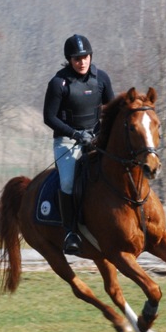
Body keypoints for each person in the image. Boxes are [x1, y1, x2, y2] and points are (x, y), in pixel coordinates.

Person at [43, 34, 114, 254]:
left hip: (95, 138)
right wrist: (74, 134)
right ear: (69, 59)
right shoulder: (58, 83)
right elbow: (49, 117)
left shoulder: (101, 78)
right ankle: (70, 232)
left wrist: (101, 134)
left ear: (90, 56)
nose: (82, 62)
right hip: (66, 140)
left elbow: (110, 109)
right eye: (76, 58)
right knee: (67, 183)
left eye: (85, 57)